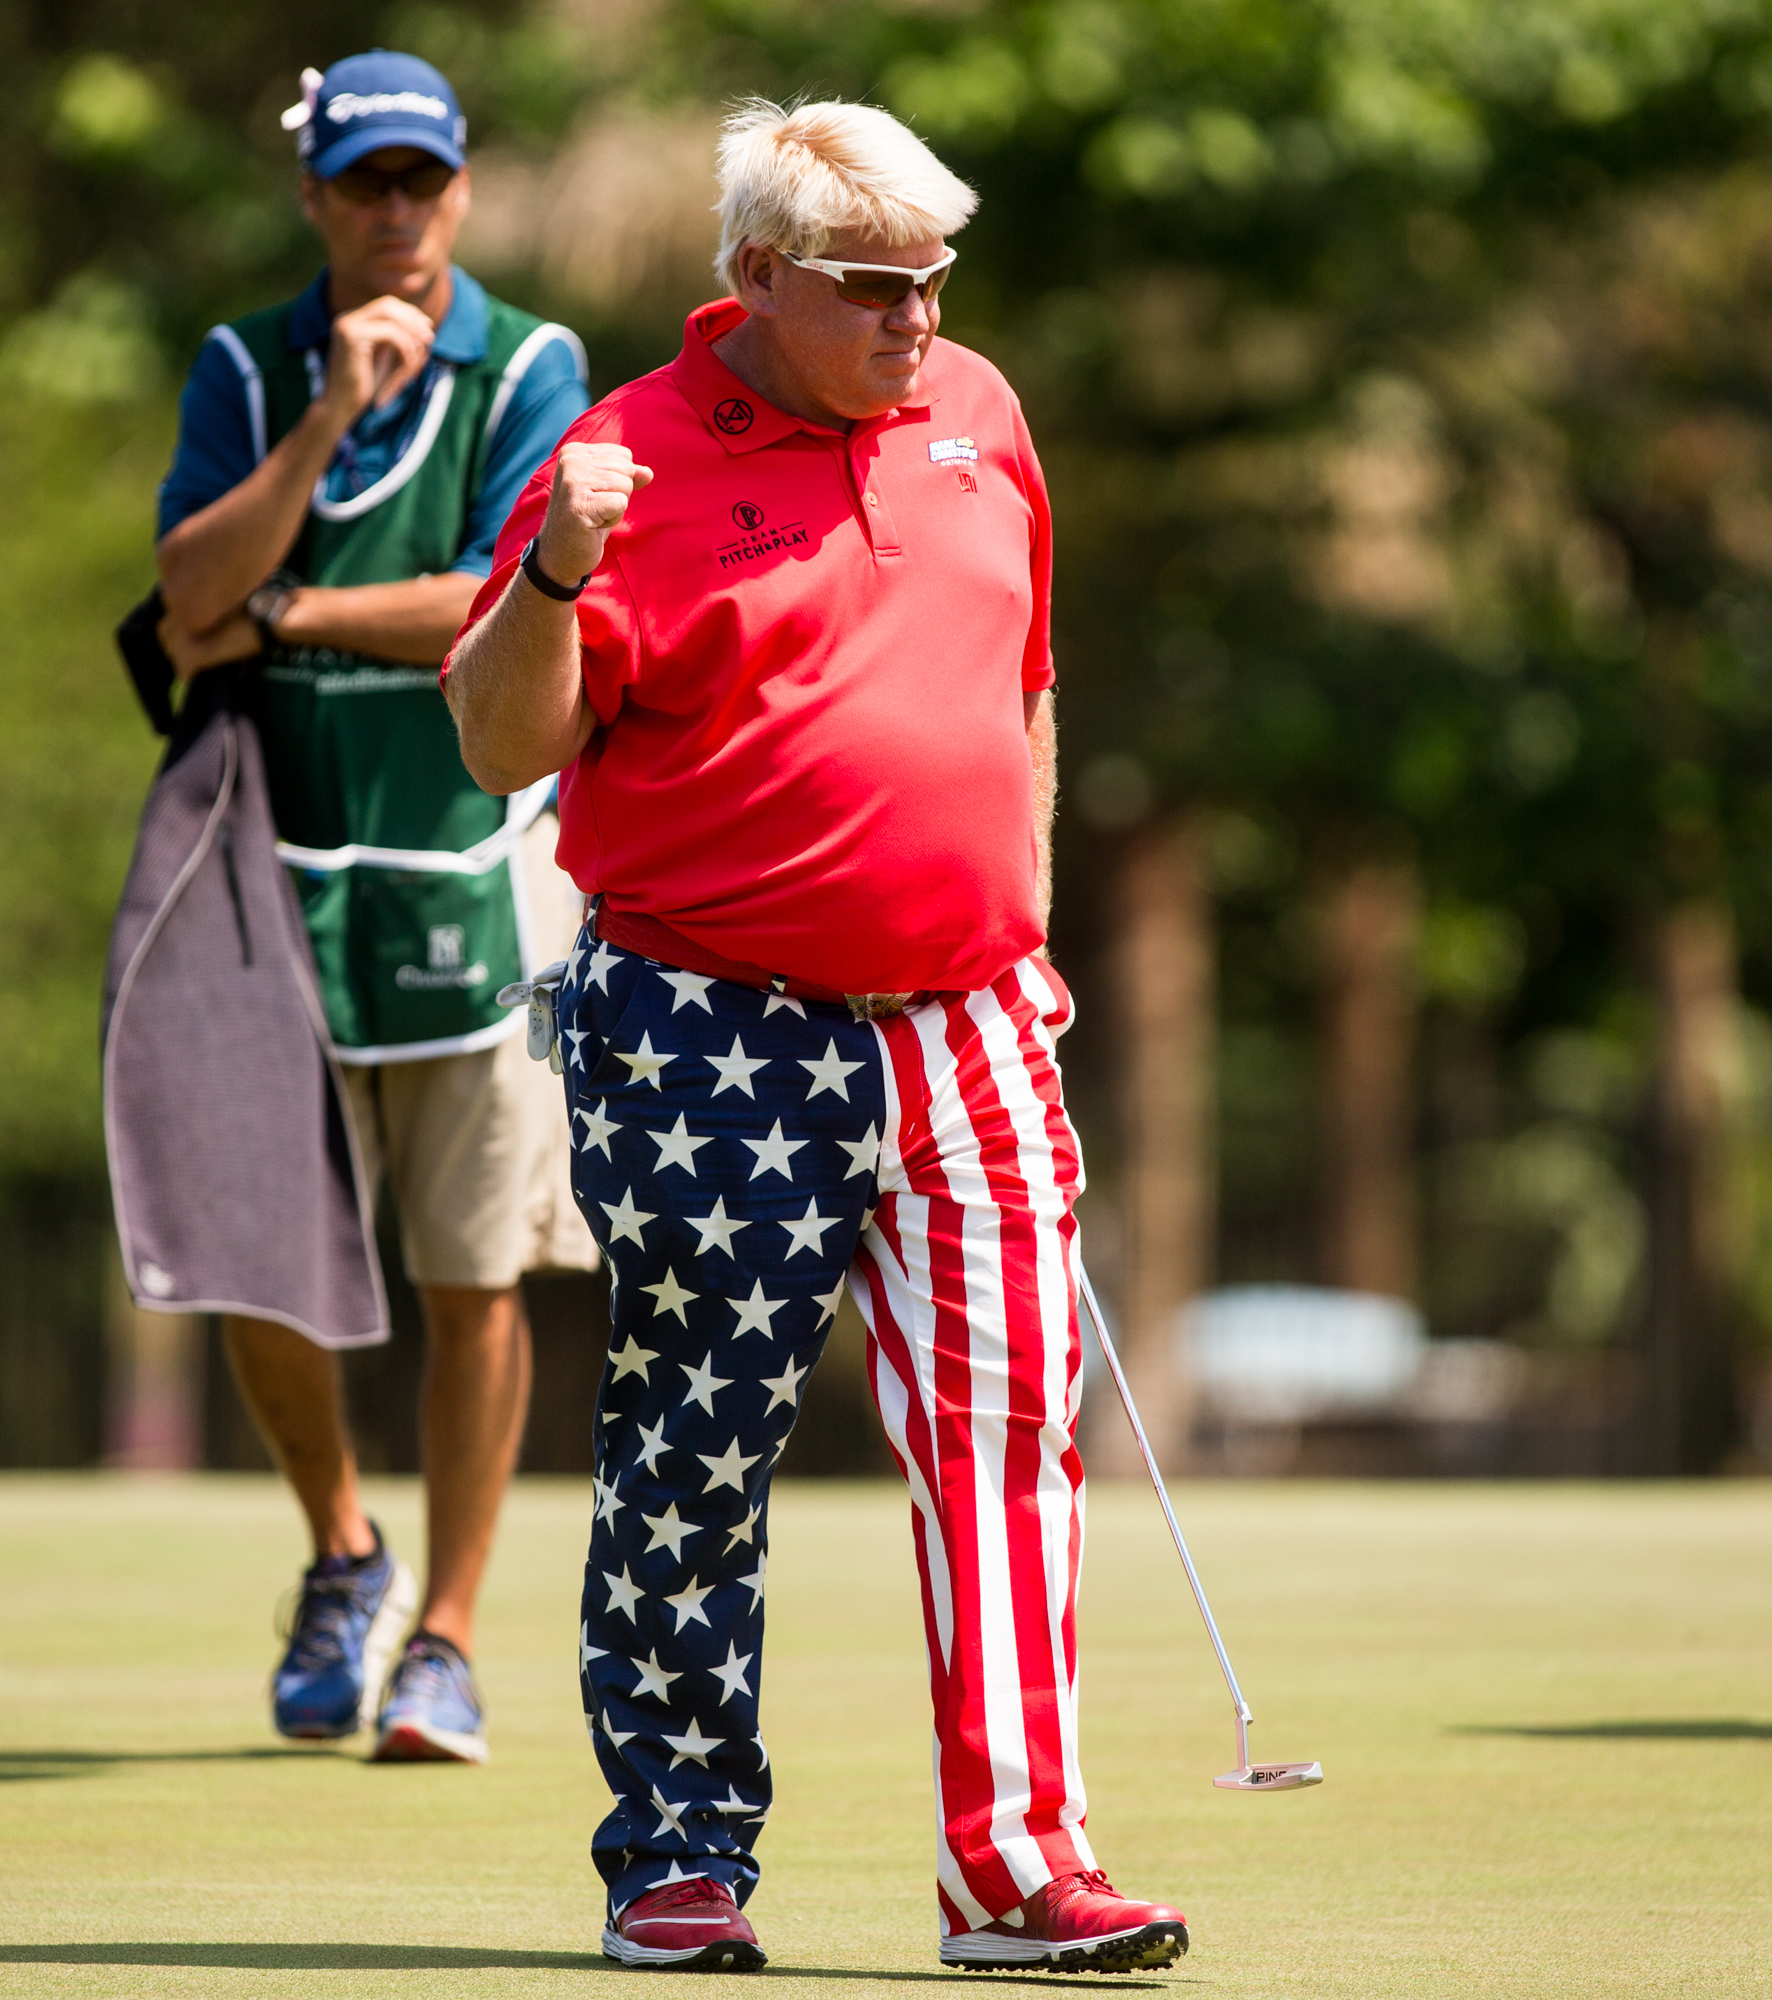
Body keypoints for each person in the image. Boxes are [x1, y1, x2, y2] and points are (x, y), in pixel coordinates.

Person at [447, 99, 1192, 1974]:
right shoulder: (620, 458)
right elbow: (494, 743)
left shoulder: (986, 417)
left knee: (1012, 1434)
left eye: (935, 284)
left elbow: (1022, 689)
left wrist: (1019, 931)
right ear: (758, 276)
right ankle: (681, 1853)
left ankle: (1015, 1868)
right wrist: (553, 571)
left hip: (974, 1024)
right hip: (712, 1028)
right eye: (871, 286)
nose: (913, 322)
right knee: (700, 1443)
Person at [150, 48, 596, 1765]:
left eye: (425, 183)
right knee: (262, 1253)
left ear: (461, 192)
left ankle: (451, 1641)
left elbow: (497, 605)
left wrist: (288, 615)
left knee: (475, 1274)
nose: (399, 214)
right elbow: (184, 586)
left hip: (474, 882)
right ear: (316, 196)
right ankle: (345, 1550)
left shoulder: (530, 366)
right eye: (367, 184)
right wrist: (327, 417)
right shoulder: (247, 366)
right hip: (263, 877)